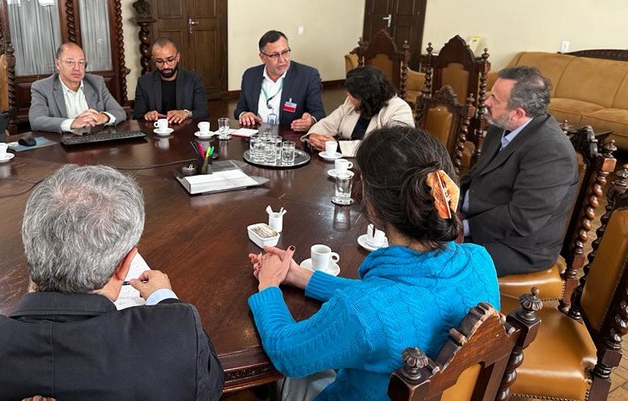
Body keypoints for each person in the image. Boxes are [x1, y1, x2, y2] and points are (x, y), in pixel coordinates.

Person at [0, 165, 224, 400]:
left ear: (30, 243)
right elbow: (208, 386)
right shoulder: (174, 338)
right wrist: (163, 298)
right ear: (124, 265)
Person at [247, 126, 500, 401]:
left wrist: (269, 284)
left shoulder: (364, 311)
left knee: (287, 381)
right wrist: (302, 277)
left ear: (373, 209)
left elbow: (287, 355)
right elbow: (398, 298)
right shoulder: (480, 261)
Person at [460, 66, 579, 276]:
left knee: (437, 261)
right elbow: (477, 176)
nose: (486, 102)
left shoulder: (551, 151)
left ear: (518, 113)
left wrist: (462, 227)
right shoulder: (500, 127)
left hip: (518, 246)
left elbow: (521, 218)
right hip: (481, 223)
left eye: (495, 99)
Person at [304, 66, 414, 151]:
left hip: (378, 169)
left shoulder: (399, 109)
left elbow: (390, 146)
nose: (348, 97)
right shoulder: (351, 102)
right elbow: (329, 122)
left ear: (367, 97)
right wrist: (314, 134)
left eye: (352, 95)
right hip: (345, 161)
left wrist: (338, 146)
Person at [234, 30, 325, 132]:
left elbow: (318, 113)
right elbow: (239, 110)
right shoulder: (250, 75)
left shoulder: (307, 75)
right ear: (262, 57)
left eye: (285, 52)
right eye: (275, 55)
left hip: (289, 138)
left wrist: (311, 120)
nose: (282, 60)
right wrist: (244, 114)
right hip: (257, 137)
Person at [29, 43, 127, 133]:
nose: (77, 68)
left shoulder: (96, 83)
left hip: (95, 143)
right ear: (58, 64)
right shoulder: (42, 87)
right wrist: (72, 123)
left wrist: (102, 117)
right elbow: (36, 120)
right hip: (62, 146)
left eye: (81, 63)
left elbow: (119, 112)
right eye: (70, 62)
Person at [133, 38, 208, 123]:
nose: (165, 66)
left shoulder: (194, 79)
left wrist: (186, 113)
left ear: (178, 57)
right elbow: (137, 115)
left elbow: (203, 112)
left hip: (186, 131)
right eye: (159, 61)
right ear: (153, 60)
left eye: (170, 60)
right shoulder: (144, 82)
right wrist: (147, 115)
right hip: (155, 132)